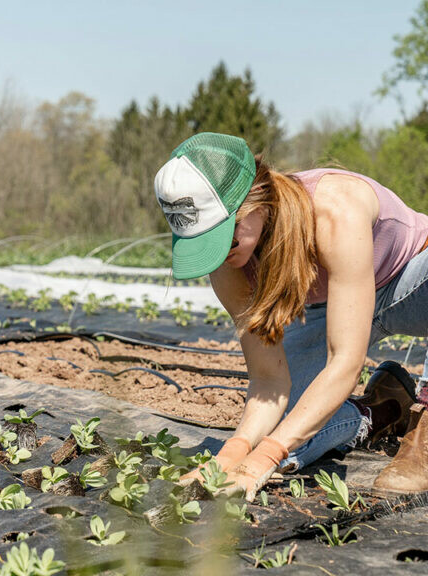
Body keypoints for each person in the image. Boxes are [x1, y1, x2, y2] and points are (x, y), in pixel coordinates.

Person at [154, 132, 428, 501]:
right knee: (287, 427)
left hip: (409, 283)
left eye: (227, 235)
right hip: (333, 307)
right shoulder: (226, 263)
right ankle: (378, 411)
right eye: (204, 242)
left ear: (256, 200)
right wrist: (236, 453)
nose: (220, 253)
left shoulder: (334, 209)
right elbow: (269, 382)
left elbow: (344, 362)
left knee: (277, 445)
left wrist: (267, 456)